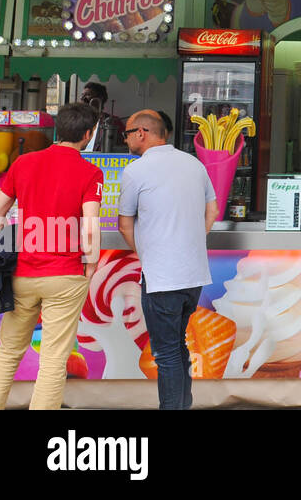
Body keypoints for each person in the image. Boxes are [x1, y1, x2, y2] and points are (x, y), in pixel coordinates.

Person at [0, 103, 102, 410]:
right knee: (54, 360)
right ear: (88, 134)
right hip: (65, 274)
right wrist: (91, 265)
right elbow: (91, 228)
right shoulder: (90, 172)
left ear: (58, 128)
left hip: (23, 274)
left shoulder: (24, 163)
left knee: (7, 352)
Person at [117, 110, 218, 410]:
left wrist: (149, 255)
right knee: (178, 346)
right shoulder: (194, 164)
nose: (125, 139)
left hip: (163, 278)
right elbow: (211, 212)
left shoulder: (136, 171)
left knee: (166, 353)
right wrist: (189, 244)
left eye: (127, 133)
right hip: (194, 275)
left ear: (142, 132)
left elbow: (124, 225)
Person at [80, 81, 124, 153]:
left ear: (100, 98)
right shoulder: (77, 120)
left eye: (87, 94)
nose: (82, 98)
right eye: (82, 95)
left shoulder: (113, 121)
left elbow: (121, 145)